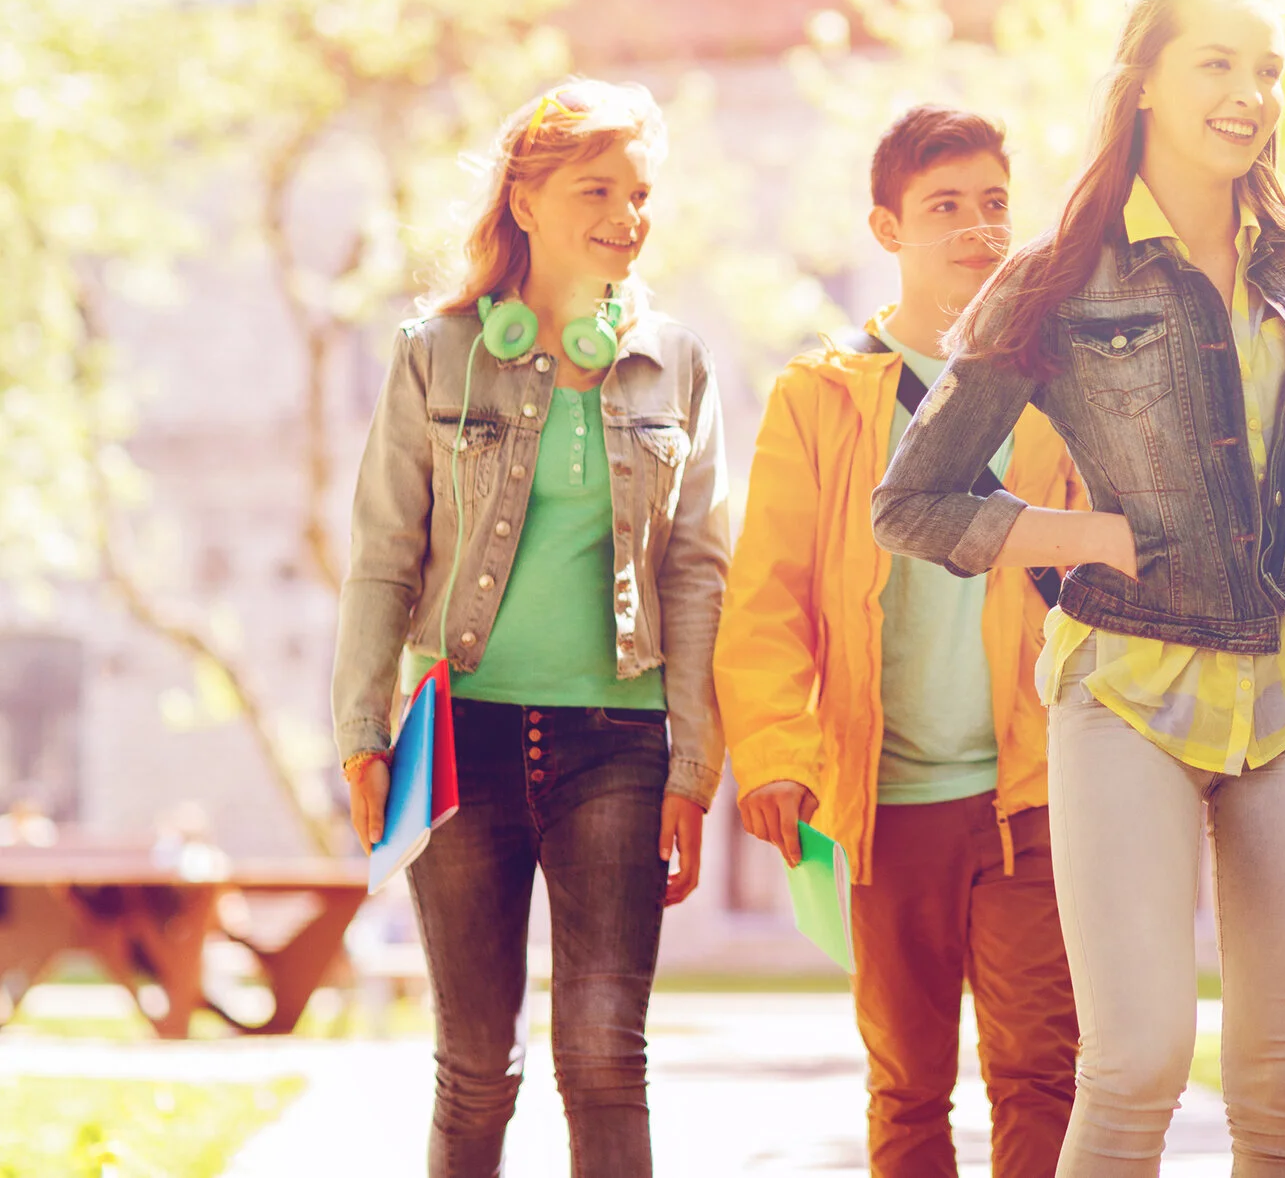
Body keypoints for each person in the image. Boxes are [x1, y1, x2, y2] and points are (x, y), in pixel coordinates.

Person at [870, 0, 1285, 1176]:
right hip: (1129, 692)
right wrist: (1093, 537)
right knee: (1137, 1064)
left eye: (1266, 69)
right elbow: (912, 499)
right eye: (1217, 63)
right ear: (1146, 84)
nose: (1249, 94)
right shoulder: (1058, 274)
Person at [335, 79, 728, 1178]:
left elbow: (700, 571)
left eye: (639, 193)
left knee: (604, 1058)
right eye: (596, 189)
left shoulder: (677, 362)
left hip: (620, 742)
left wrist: (694, 766)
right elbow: (382, 557)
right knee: (476, 1067)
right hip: (461, 742)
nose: (626, 215)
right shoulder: (437, 352)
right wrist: (361, 733)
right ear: (524, 200)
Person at [715, 105, 1086, 1178]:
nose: (976, 229)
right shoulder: (823, 396)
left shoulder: (1058, 388)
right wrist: (775, 754)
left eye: (993, 204)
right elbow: (769, 594)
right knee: (909, 1083)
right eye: (944, 206)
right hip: (886, 797)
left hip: (1033, 786)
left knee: (1041, 1071)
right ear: (888, 228)